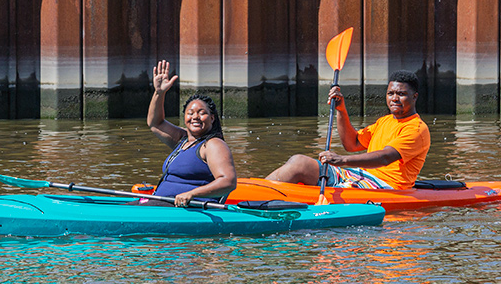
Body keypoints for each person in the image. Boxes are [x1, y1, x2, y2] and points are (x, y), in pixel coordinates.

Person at [267, 70, 430, 190]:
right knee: (299, 162)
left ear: (414, 96)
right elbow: (352, 144)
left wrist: (342, 160)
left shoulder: (416, 129)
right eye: (391, 93)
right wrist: (341, 110)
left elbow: (385, 157)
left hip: (386, 186)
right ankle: (258, 193)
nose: (394, 98)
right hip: (358, 175)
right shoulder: (384, 121)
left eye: (401, 94)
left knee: (338, 190)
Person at [147, 59, 237, 207]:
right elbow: (155, 123)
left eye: (202, 113)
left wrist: (192, 194)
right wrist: (159, 93)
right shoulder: (182, 140)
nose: (195, 117)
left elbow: (228, 181)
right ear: (184, 117)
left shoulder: (213, 145)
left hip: (190, 209)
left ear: (212, 118)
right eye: (190, 113)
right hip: (161, 203)